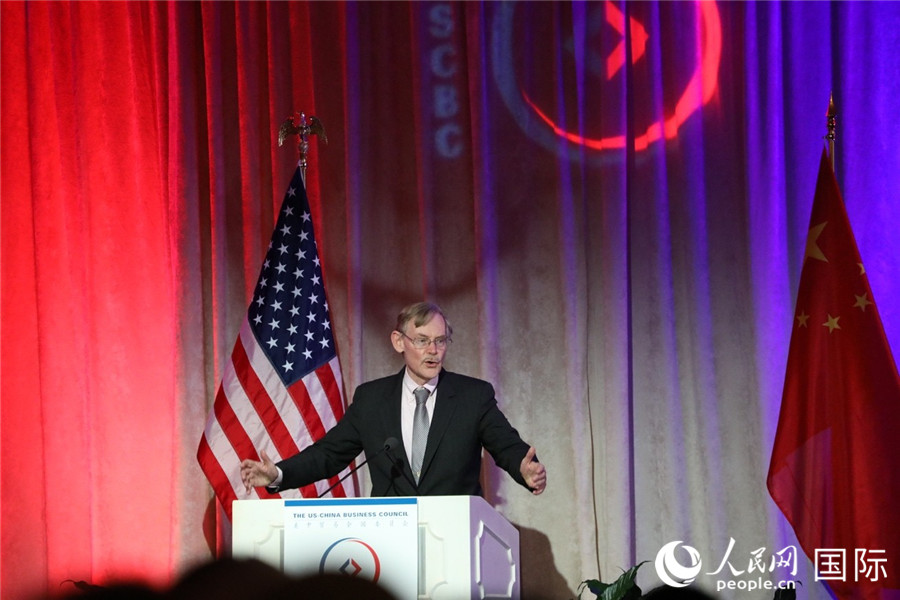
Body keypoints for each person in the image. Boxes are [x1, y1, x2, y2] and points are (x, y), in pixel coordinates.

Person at [240, 301, 547, 497]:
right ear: (399, 342)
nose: (433, 351)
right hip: (390, 535)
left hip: (455, 535)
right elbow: (329, 454)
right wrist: (279, 473)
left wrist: (524, 468)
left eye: (440, 341)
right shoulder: (372, 400)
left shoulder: (473, 396)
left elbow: (505, 444)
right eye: (422, 341)